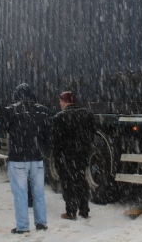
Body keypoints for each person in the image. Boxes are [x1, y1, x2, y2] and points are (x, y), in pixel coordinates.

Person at [0, 83, 49, 234]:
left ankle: (23, 227)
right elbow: (47, 134)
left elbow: (2, 130)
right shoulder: (43, 111)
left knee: (20, 193)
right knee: (39, 192)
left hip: (18, 158)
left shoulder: (10, 111)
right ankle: (41, 223)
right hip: (37, 158)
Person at [51, 91, 95, 220]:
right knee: (81, 181)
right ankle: (84, 210)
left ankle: (71, 212)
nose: (60, 104)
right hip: (82, 155)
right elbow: (92, 134)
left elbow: (56, 142)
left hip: (66, 156)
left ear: (64, 102)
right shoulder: (87, 114)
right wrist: (84, 148)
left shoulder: (59, 117)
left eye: (60, 102)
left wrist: (58, 159)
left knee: (68, 184)